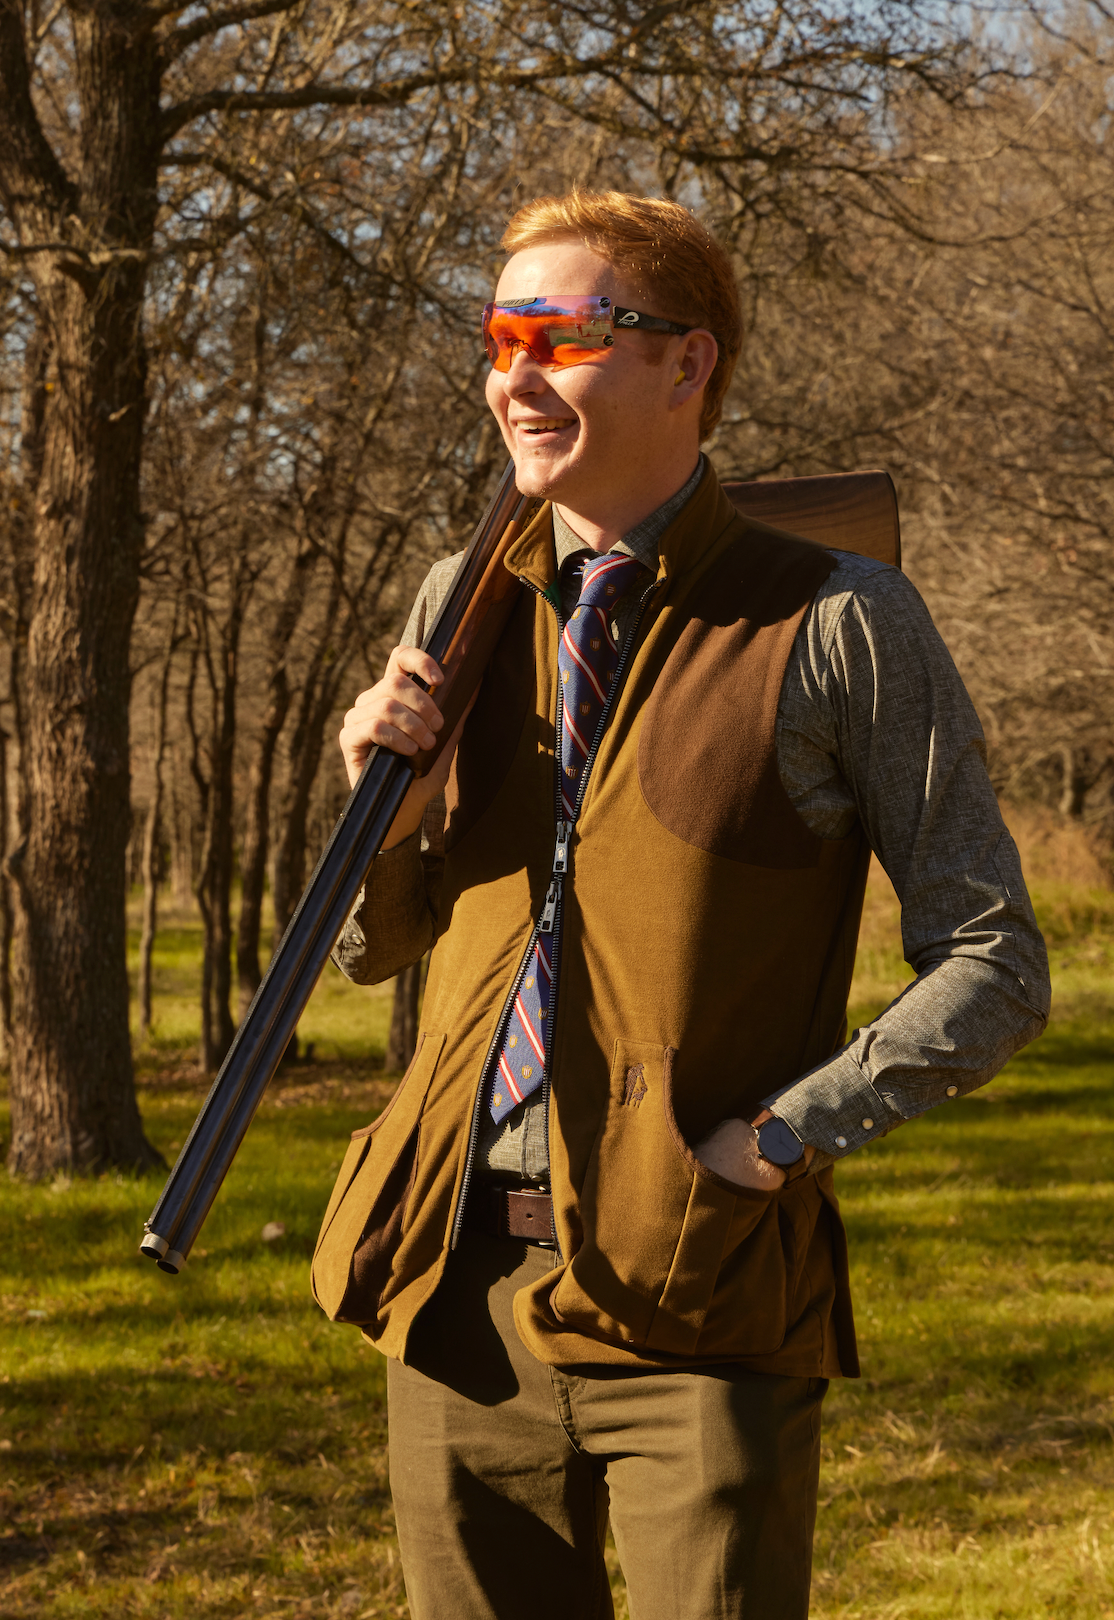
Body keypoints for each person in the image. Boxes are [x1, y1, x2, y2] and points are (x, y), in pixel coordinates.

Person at [323, 190, 1050, 1620]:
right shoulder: (457, 601)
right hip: (455, 1290)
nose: (515, 373)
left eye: (564, 332)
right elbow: (374, 949)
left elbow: (995, 960)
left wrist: (778, 1140)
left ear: (686, 362)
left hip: (698, 1288)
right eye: (497, 334)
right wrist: (381, 821)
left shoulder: (838, 617)